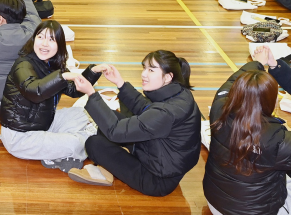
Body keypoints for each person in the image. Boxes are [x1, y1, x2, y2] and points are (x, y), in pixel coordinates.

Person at [71, 50, 201, 196]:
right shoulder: (180, 94)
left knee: (94, 143)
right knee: (109, 118)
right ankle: (117, 162)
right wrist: (120, 83)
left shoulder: (166, 112)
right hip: (160, 156)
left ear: (168, 77)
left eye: (151, 70)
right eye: (144, 68)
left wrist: (91, 93)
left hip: (156, 180)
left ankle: (108, 170)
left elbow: (115, 131)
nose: (144, 74)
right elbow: (146, 108)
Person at [0, 20, 103, 172]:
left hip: (44, 123)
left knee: (82, 113)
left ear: (59, 45)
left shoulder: (51, 64)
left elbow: (74, 90)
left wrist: (94, 71)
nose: (44, 44)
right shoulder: (23, 65)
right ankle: (82, 140)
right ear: (34, 39)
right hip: (20, 136)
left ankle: (61, 149)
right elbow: (35, 91)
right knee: (77, 143)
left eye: (51, 39)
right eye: (40, 37)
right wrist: (64, 76)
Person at [204, 46, 291, 215]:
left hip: (215, 202)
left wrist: (259, 63)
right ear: (271, 102)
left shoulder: (218, 107)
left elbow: (231, 81)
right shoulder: (279, 141)